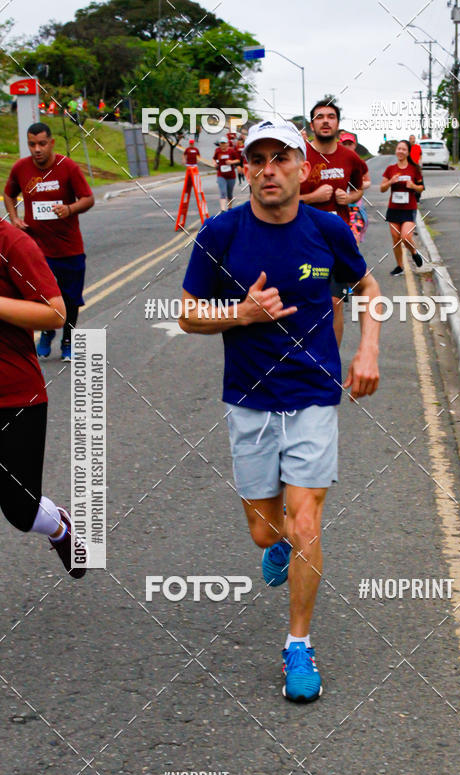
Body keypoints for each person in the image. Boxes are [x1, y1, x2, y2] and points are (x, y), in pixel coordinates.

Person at [179, 120, 381, 703]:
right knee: (265, 531)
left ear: (302, 168)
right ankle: (278, 546)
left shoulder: (327, 229)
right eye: (257, 160)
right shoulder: (221, 233)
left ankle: (298, 644)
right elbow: (187, 314)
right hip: (248, 398)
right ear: (246, 170)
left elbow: (369, 290)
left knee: (306, 522)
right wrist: (241, 315)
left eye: (280, 158)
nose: (268, 169)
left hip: (313, 393)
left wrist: (367, 349)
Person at [0, 220, 87, 577]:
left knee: (21, 510)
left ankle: (59, 526)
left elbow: (55, 312)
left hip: (15, 397)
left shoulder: (12, 243)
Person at [4, 122, 95, 361]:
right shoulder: (21, 168)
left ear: (51, 143)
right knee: (39, 297)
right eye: (32, 144)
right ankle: (46, 331)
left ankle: (68, 340)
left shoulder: (68, 167)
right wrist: (14, 219)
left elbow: (88, 198)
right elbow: (9, 194)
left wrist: (69, 209)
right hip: (36, 249)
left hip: (68, 248)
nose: (37, 149)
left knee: (71, 299)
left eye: (42, 144)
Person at [300, 100, 365, 346]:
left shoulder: (350, 157)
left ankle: (331, 362)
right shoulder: (299, 156)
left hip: (337, 241)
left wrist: (349, 198)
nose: (325, 121)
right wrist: (312, 198)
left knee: (335, 303)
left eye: (331, 116)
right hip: (301, 239)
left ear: (338, 123)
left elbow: (359, 188)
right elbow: (282, 199)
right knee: (303, 304)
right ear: (312, 124)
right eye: (320, 117)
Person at [380, 139, 424, 276]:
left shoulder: (414, 169)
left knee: (405, 236)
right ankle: (400, 266)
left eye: (404, 149)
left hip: (409, 208)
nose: (400, 151)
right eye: (399, 148)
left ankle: (414, 252)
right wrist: (390, 182)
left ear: (408, 152)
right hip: (394, 208)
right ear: (396, 150)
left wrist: (413, 186)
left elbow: (422, 188)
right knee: (395, 238)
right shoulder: (390, 169)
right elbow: (382, 188)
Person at [338, 131, 370, 244]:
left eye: (350, 144)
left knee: (354, 237)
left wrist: (357, 185)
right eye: (344, 144)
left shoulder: (359, 162)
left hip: (355, 207)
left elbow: (368, 182)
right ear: (340, 144)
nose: (347, 146)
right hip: (338, 207)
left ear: (354, 145)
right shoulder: (335, 161)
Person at [213, 137, 241, 212]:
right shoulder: (218, 151)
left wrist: (231, 162)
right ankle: (223, 210)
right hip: (221, 175)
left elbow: (238, 160)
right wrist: (215, 163)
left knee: (229, 193)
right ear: (219, 144)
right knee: (223, 192)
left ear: (227, 144)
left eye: (224, 143)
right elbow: (214, 158)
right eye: (221, 143)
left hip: (231, 176)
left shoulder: (232, 151)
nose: (223, 145)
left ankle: (230, 208)